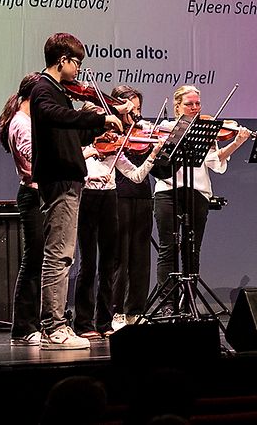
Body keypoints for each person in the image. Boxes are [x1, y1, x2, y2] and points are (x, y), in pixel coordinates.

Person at [29, 33, 131, 349]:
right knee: (58, 255)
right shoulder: (43, 90)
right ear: (64, 60)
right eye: (77, 63)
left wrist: (103, 124)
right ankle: (53, 328)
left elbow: (74, 129)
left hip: (69, 178)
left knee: (64, 254)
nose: (78, 71)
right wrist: (96, 113)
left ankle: (56, 325)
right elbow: (57, 116)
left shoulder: (58, 92)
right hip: (58, 179)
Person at [75, 86, 163, 337]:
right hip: (88, 199)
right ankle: (83, 323)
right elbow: (73, 171)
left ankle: (104, 323)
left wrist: (153, 154)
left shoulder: (114, 150)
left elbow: (135, 176)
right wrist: (87, 159)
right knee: (88, 264)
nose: (106, 132)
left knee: (106, 265)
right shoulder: (81, 149)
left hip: (109, 199)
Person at [151, 85, 251, 303]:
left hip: (197, 193)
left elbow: (214, 162)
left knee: (192, 249)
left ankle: (188, 303)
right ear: (177, 107)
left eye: (197, 103)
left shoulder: (205, 130)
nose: (195, 108)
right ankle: (167, 303)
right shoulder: (167, 128)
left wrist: (237, 142)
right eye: (189, 104)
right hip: (168, 191)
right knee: (168, 248)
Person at [0, 73, 45, 346]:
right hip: (32, 194)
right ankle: (24, 327)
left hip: (39, 194)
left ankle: (32, 323)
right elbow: (34, 156)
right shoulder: (21, 122)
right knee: (33, 260)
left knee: (39, 261)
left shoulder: (30, 121)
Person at [110, 85, 160, 328]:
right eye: (131, 110)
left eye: (138, 109)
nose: (136, 115)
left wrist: (158, 150)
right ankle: (116, 311)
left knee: (141, 258)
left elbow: (160, 171)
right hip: (118, 196)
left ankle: (135, 310)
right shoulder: (110, 133)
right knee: (120, 257)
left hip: (142, 196)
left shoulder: (144, 132)